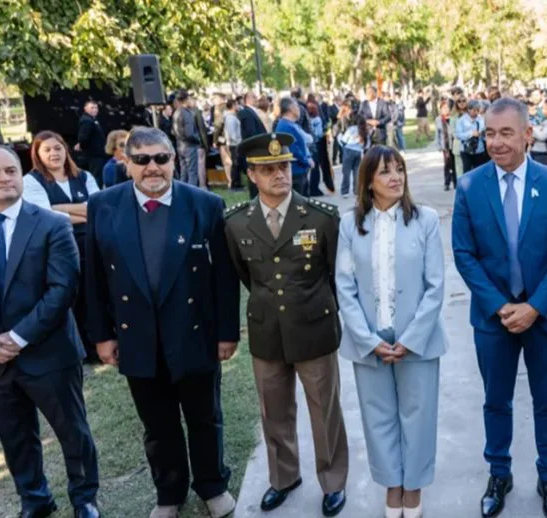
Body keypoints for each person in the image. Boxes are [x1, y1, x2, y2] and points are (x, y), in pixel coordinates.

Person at [85, 127, 240, 518]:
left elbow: (224, 276)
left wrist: (226, 333)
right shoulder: (103, 205)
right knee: (158, 424)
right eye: (141, 160)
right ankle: (169, 493)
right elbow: (95, 278)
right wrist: (102, 336)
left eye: (161, 158)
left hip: (194, 332)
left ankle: (212, 485)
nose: (152, 167)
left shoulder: (204, 204)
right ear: (126, 163)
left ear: (173, 160)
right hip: (137, 336)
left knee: (205, 417)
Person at [452, 98, 547, 518]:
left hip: (544, 318)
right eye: (489, 133)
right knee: (496, 401)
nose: (496, 142)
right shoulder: (470, 186)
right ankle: (499, 473)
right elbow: (464, 254)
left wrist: (535, 307)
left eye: (506, 133)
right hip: (494, 319)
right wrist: (501, 306)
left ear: (528, 134)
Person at [224, 133, 349, 516]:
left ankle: (332, 481)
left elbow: (335, 275)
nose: (279, 174)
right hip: (266, 330)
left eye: (284, 166)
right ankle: (284, 477)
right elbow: (244, 276)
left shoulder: (321, 217)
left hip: (314, 326)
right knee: (274, 410)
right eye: (268, 169)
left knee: (324, 411)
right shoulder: (236, 223)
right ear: (252, 175)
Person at [0, 144, 100, 518]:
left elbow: (62, 290)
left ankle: (84, 500)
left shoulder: (52, 224)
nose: (4, 179)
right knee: (15, 437)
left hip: (50, 354)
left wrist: (15, 338)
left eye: (11, 171)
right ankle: (35, 499)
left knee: (72, 433)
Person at [336, 145, 446, 518]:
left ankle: (413, 487)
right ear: (368, 182)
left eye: (399, 169)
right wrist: (368, 340)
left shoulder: (426, 219)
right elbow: (345, 288)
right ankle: (392, 485)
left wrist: (412, 338)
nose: (395, 177)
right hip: (369, 340)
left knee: (418, 415)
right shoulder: (350, 225)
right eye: (385, 172)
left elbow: (435, 286)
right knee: (378, 417)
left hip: (416, 339)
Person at [22, 131, 102, 363]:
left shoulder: (84, 176)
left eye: (57, 148)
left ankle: (98, 345)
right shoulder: (30, 182)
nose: (53, 153)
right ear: (37, 155)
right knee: (70, 297)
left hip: (91, 244)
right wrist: (81, 210)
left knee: (93, 295)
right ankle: (79, 349)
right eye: (46, 150)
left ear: (65, 150)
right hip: (57, 248)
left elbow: (97, 210)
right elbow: (44, 216)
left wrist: (59, 208)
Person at [274, 97, 315, 196]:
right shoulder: (285, 126)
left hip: (299, 170)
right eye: (297, 106)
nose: (299, 109)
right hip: (295, 171)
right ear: (291, 108)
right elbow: (293, 150)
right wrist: (306, 161)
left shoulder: (291, 125)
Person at [239, 92, 267, 196]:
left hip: (256, 150)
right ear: (247, 99)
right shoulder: (246, 113)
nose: (256, 99)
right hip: (253, 151)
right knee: (254, 178)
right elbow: (251, 133)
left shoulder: (251, 112)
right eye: (254, 97)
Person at [173, 91, 203, 188]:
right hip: (189, 146)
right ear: (186, 100)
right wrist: (198, 139)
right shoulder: (186, 113)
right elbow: (189, 133)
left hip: (180, 146)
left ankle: (181, 192)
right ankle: (191, 195)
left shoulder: (176, 112)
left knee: (184, 172)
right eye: (189, 98)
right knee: (192, 173)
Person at [75, 101, 107, 183]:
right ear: (85, 109)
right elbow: (83, 138)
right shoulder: (87, 121)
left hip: (97, 154)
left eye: (96, 107)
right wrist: (83, 147)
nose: (95, 110)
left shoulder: (92, 119)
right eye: (92, 107)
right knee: (97, 177)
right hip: (95, 155)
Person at [338, 112, 368, 198]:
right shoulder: (364, 131)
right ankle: (357, 191)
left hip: (349, 150)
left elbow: (344, 140)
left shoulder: (351, 129)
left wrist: (339, 137)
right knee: (357, 172)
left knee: (346, 172)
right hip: (359, 151)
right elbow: (367, 144)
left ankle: (345, 191)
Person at [457, 101, 488, 173]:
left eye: (477, 110)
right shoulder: (462, 120)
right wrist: (471, 134)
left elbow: (485, 134)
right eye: (474, 110)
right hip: (466, 150)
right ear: (469, 109)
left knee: (479, 172)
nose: (476, 112)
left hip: (479, 150)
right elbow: (458, 135)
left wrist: (484, 134)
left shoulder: (481, 119)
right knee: (467, 172)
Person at [434, 100, 457, 191]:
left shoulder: (453, 118)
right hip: (445, 145)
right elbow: (437, 134)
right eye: (443, 108)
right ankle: (447, 182)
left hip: (453, 144)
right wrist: (439, 145)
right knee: (447, 164)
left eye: (447, 108)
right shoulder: (438, 119)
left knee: (454, 164)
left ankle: (456, 182)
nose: (445, 110)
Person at [222, 99, 242, 190]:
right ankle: (234, 184)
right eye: (237, 104)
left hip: (235, 143)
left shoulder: (233, 116)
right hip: (235, 144)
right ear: (233, 106)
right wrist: (238, 141)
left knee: (237, 164)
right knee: (235, 164)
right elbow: (232, 133)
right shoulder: (230, 118)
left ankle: (238, 183)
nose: (238, 106)